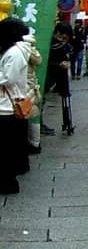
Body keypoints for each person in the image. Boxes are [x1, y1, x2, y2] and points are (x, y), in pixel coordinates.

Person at [0, 17, 30, 194]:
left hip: (7, 106)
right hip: (7, 104)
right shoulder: (13, 51)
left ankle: (8, 182)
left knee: (6, 147)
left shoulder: (14, 53)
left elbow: (8, 78)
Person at [17, 25, 43, 155]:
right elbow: (38, 61)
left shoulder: (16, 49)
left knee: (22, 116)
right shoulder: (32, 51)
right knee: (31, 114)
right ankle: (35, 143)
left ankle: (32, 143)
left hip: (21, 87)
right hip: (30, 86)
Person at [46, 22, 75, 136]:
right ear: (57, 32)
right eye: (62, 37)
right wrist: (58, 65)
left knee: (65, 98)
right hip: (49, 76)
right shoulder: (48, 43)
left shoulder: (65, 46)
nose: (63, 40)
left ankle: (67, 123)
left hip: (60, 76)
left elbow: (69, 55)